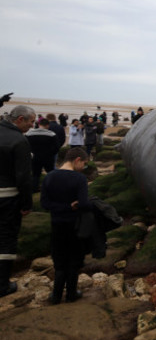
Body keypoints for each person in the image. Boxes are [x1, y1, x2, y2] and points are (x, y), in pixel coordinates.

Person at [40, 147, 91, 304]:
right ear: (77, 160)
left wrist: (62, 207)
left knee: (59, 260)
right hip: (75, 224)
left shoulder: (49, 177)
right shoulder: (79, 179)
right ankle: (71, 294)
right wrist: (72, 206)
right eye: (84, 164)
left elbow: (45, 204)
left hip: (57, 223)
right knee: (74, 259)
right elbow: (83, 204)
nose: (84, 167)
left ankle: (55, 296)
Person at [0, 105, 35, 297]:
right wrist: (26, 204)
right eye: (31, 121)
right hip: (7, 198)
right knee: (6, 240)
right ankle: (2, 285)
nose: (32, 125)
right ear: (20, 119)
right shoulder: (19, 141)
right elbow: (23, 178)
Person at [25, 118, 59, 192]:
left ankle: (34, 189)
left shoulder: (29, 134)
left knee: (35, 174)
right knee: (50, 173)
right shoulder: (52, 134)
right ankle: (51, 188)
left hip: (35, 157)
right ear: (47, 125)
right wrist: (50, 154)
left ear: (39, 125)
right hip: (48, 158)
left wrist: (31, 153)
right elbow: (56, 147)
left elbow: (25, 145)